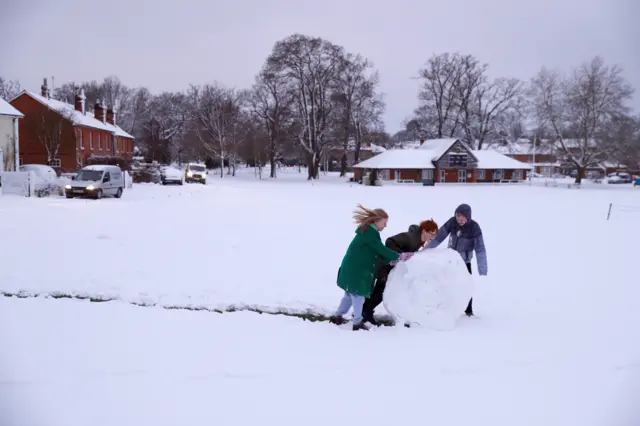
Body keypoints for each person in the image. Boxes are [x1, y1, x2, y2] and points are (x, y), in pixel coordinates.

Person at [329, 204, 414, 331]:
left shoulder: (370, 232)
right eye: (384, 223)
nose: (386, 226)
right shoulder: (369, 233)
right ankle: (357, 322)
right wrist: (399, 256)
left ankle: (337, 317)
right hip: (356, 270)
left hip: (354, 269)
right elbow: (381, 249)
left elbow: (376, 253)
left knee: (349, 295)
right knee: (358, 296)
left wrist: (391, 261)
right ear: (376, 220)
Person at [362, 219, 439, 326]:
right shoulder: (411, 238)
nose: (433, 237)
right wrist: (400, 255)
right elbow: (389, 241)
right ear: (425, 231)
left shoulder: (418, 239)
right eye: (432, 234)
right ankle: (366, 313)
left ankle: (363, 311)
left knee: (378, 291)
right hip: (385, 265)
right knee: (380, 292)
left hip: (390, 266)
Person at [425, 203, 487, 316]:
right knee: (446, 284)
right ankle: (446, 308)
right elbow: (440, 236)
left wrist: (482, 267)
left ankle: (468, 311)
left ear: (468, 216)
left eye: (463, 217)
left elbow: (480, 248)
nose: (460, 219)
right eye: (458, 216)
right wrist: (426, 249)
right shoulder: (452, 222)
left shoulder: (474, 227)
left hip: (465, 262)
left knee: (466, 286)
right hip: (451, 260)